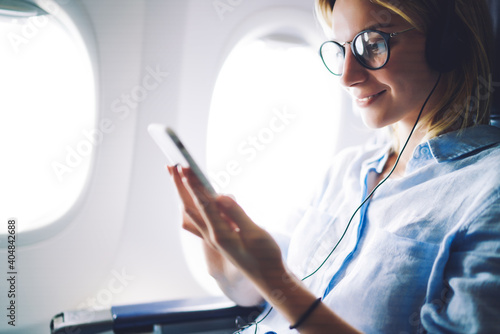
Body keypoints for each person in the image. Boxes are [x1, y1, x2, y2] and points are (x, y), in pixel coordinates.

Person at [167, 0, 500, 332]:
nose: (347, 77)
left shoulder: (488, 190)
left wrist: (275, 280)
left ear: (448, 44)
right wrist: (222, 248)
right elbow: (252, 292)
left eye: (371, 45)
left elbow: (280, 286)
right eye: (342, 51)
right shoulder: (346, 171)